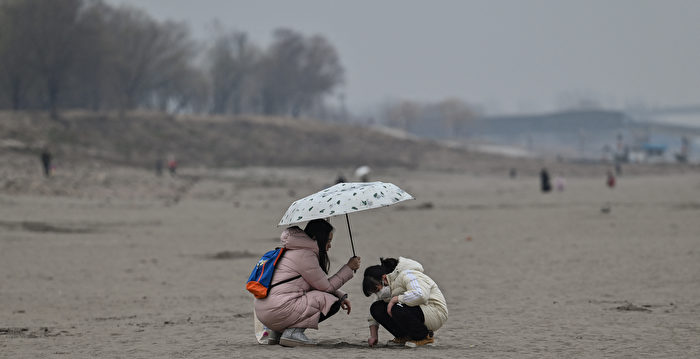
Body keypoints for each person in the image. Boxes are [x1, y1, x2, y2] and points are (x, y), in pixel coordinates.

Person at [254, 219, 361, 347]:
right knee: (331, 301)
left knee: (328, 297)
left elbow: (313, 284)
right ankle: (293, 333)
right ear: (316, 238)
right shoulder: (305, 255)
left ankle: (276, 334)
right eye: (328, 241)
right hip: (278, 310)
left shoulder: (291, 250)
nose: (330, 245)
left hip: (264, 311)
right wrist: (349, 268)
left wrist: (341, 295)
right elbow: (325, 288)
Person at [363, 257, 448, 348]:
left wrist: (396, 299)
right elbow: (373, 315)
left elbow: (420, 295)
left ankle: (424, 337)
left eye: (377, 289)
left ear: (384, 278)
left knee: (396, 307)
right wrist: (374, 336)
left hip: (435, 311)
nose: (378, 294)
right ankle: (404, 337)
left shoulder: (408, 275)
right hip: (418, 311)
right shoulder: (390, 284)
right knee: (377, 307)